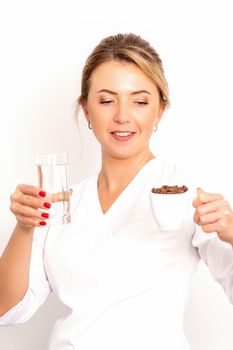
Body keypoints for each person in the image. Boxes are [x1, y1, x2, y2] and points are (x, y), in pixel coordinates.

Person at [0, 33, 233, 350]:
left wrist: (232, 233)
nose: (122, 115)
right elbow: (9, 310)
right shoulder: (61, 204)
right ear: (86, 111)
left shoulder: (186, 196)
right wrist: (25, 226)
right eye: (107, 100)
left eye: (140, 101)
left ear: (160, 111)